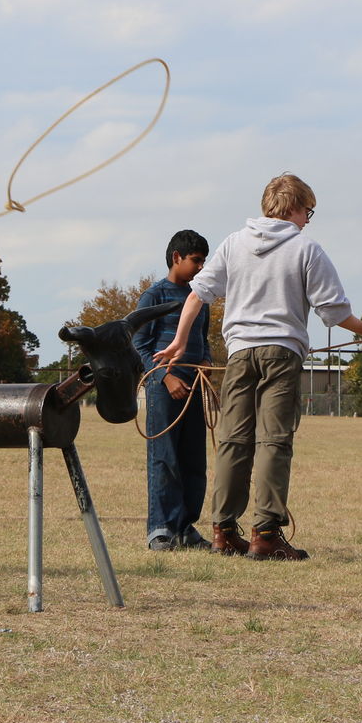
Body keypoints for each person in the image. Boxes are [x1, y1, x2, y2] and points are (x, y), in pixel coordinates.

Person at [155, 173, 362, 561]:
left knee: (233, 439)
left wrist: (179, 340)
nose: (307, 220)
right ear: (295, 207)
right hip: (281, 353)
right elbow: (332, 310)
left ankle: (224, 531)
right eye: (308, 212)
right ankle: (265, 534)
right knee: (273, 441)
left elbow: (197, 293)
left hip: (239, 354)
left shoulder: (234, 243)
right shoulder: (306, 248)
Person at [132, 229, 212, 552]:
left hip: (193, 386)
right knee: (164, 457)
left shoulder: (200, 300)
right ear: (177, 258)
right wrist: (165, 377)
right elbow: (139, 343)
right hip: (164, 386)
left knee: (194, 458)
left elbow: (202, 339)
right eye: (196, 260)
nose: (201, 267)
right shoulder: (154, 296)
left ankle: (185, 526)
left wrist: (205, 360)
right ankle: (160, 528)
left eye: (204, 261)